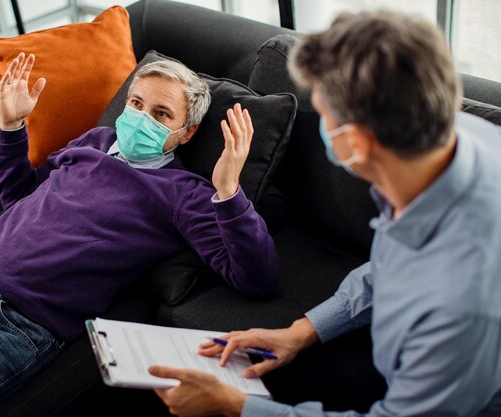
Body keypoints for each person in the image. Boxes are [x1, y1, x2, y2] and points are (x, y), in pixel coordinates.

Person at [0, 54, 279, 416]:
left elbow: (257, 277)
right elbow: (19, 200)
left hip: (8, 327)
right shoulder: (95, 141)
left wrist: (228, 190)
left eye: (161, 114)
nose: (141, 118)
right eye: (136, 104)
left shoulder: (186, 194)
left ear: (186, 133)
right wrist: (11, 126)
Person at [149, 9, 501, 417]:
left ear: (353, 142)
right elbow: (394, 262)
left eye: (321, 112)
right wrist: (301, 332)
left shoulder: (463, 304)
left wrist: (234, 406)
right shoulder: (451, 138)